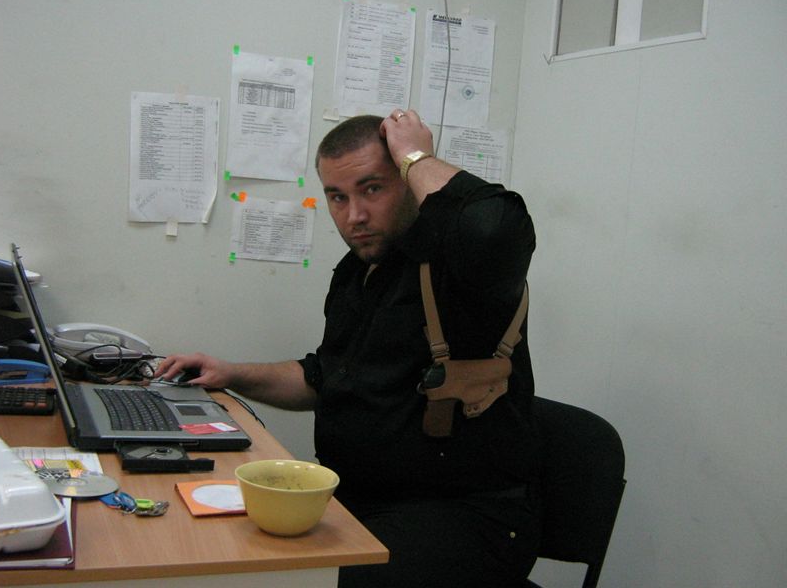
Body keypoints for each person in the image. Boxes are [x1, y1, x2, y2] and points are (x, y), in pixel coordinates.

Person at [157, 110, 541, 587]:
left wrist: (415, 154)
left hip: (463, 517)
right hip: (358, 501)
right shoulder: (359, 271)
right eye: (337, 196)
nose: (354, 215)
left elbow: (494, 225)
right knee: (230, 551)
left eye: (372, 189)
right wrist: (230, 373)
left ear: (407, 179)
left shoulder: (462, 266)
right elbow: (327, 377)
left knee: (306, 580)